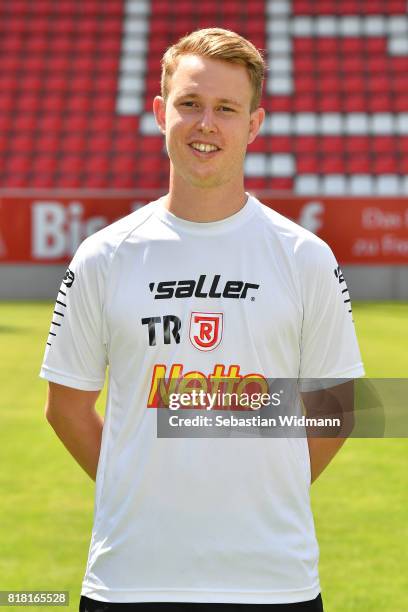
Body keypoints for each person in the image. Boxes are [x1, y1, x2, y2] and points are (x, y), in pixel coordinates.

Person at [40, 28, 364, 612]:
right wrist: (139, 495)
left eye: (226, 109)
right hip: (131, 580)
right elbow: (65, 407)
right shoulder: (104, 255)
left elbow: (337, 408)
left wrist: (262, 493)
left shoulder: (304, 256)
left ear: (254, 125)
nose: (206, 124)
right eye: (190, 104)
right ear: (162, 113)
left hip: (273, 583)